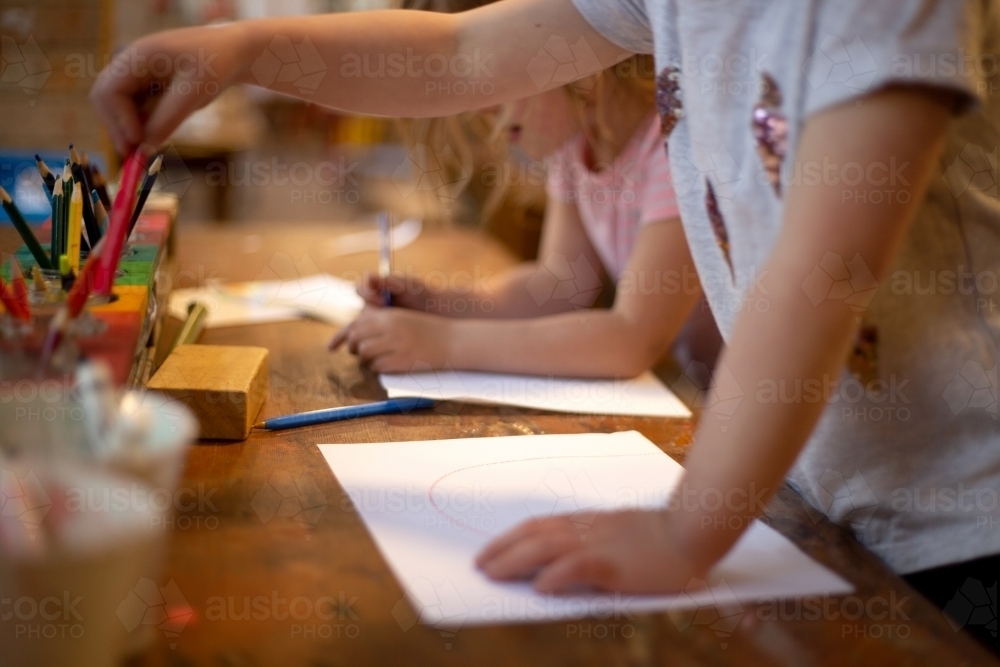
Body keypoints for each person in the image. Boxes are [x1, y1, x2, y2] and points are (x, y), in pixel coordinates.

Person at [90, 0, 1000, 652]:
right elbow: (458, 54)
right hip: (823, 501)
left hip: (968, 525)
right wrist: (244, 46)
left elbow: (822, 273)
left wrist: (686, 530)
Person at [328, 0, 719, 378]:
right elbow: (558, 286)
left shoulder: (677, 144)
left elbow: (632, 341)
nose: (477, 108)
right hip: (692, 387)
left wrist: (445, 343)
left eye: (485, 78)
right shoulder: (577, 143)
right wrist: (436, 304)